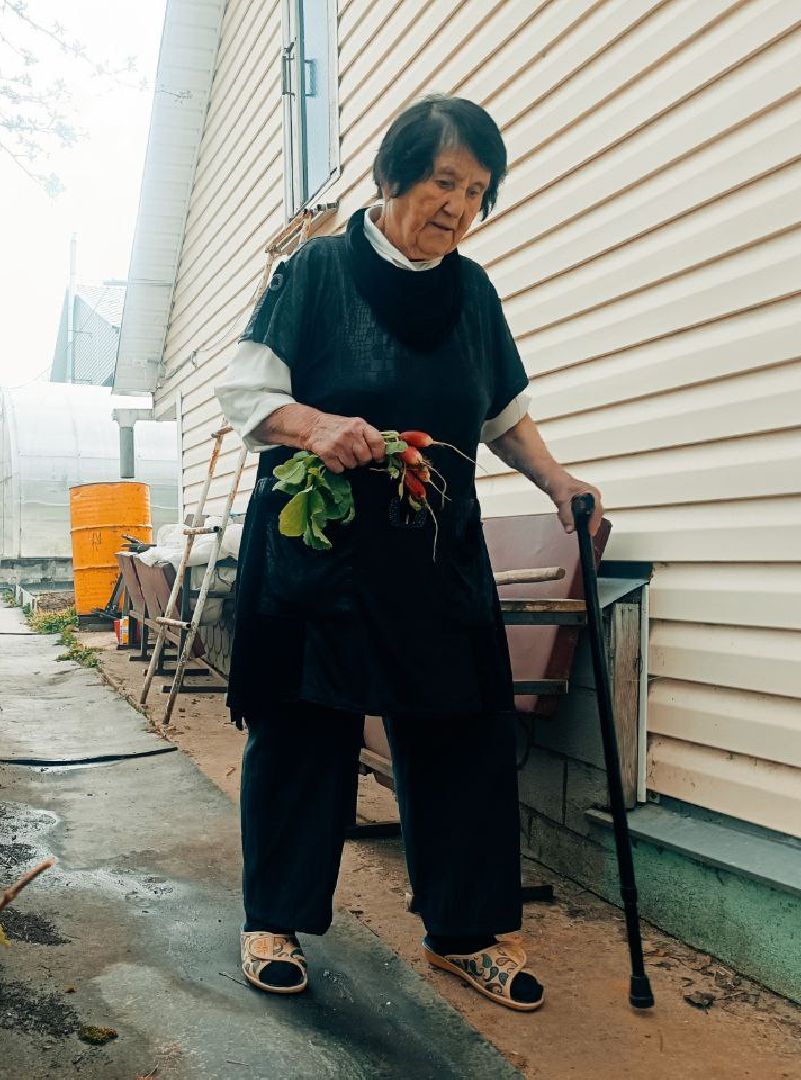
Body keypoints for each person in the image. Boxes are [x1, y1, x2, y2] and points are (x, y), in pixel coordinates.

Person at [215, 96, 603, 1011]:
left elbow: (501, 414)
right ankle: (273, 918)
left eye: (476, 191)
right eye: (443, 182)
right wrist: (314, 425)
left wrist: (558, 483)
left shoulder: (473, 295)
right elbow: (246, 394)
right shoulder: (315, 273)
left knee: (461, 733)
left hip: (434, 553)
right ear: (393, 177)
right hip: (321, 552)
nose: (458, 207)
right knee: (304, 734)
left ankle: (464, 935)